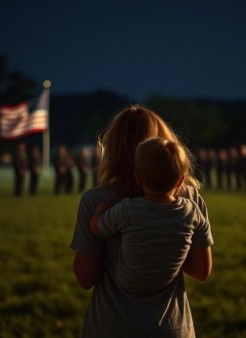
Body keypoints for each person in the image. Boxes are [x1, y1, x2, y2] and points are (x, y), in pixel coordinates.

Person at [70, 105, 213, 338]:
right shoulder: (188, 199)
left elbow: (85, 278)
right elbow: (201, 270)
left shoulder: (96, 201)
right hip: (171, 327)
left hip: (111, 325)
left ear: (113, 148)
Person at [88, 136, 212, 304]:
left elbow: (97, 228)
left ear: (137, 178)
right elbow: (202, 272)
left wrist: (99, 212)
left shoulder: (127, 210)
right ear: (181, 181)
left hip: (126, 285)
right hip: (165, 285)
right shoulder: (192, 212)